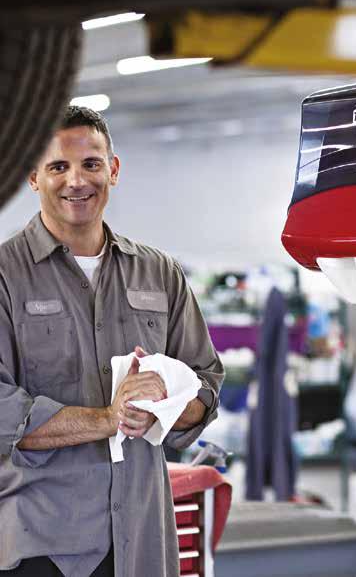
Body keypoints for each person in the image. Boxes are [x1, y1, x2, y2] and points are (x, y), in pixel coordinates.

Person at [0, 106, 224, 577]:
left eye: (91, 164)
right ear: (33, 177)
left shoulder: (159, 273)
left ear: (113, 170)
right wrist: (107, 418)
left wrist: (166, 403)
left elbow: (206, 385)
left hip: (141, 541)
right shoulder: (6, 276)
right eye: (58, 166)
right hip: (41, 545)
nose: (76, 181)